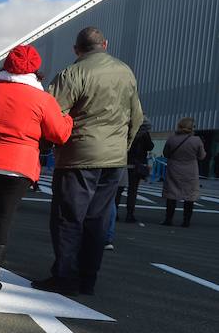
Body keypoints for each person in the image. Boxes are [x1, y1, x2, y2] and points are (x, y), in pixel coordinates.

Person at [33, 27, 143, 296]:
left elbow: (52, 114)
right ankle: (87, 279)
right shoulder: (126, 72)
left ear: (76, 49)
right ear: (105, 44)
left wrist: (46, 146)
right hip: (113, 158)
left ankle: (64, 276)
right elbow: (136, 117)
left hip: (78, 156)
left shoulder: (73, 73)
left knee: (68, 218)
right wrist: (122, 147)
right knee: (98, 220)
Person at [0, 44, 73, 291]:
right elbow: (59, 134)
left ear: (6, 66)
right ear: (34, 70)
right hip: (17, 165)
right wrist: (69, 118)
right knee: (2, 218)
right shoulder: (42, 98)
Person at [161, 117, 206, 227]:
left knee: (172, 194)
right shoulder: (196, 140)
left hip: (174, 169)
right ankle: (186, 221)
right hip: (190, 171)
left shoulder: (172, 139)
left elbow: (166, 153)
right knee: (189, 196)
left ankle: (168, 219)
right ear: (191, 128)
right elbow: (202, 156)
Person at [123, 119, 154, 223]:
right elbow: (150, 146)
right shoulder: (144, 134)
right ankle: (130, 214)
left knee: (119, 189)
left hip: (124, 161)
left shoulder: (126, 130)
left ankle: (114, 212)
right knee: (133, 190)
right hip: (137, 164)